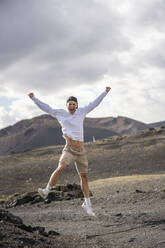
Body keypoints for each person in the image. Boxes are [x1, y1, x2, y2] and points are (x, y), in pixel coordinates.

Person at [28, 86, 111, 216]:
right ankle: (47, 190)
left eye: (74, 104)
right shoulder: (60, 113)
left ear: (76, 105)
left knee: (84, 177)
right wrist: (34, 98)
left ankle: (87, 204)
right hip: (70, 149)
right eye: (70, 103)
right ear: (66, 105)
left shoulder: (82, 112)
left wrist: (105, 92)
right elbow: (46, 107)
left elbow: (95, 103)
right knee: (61, 166)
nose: (72, 105)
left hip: (81, 150)